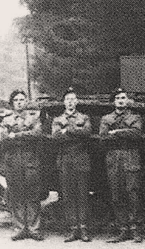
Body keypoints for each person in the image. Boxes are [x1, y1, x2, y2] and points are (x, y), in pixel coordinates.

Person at [99, 88, 145, 243]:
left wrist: (116, 132)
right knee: (116, 193)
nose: (120, 100)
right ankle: (123, 229)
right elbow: (104, 137)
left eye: (123, 97)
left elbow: (136, 133)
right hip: (113, 157)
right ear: (114, 101)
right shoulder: (106, 118)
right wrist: (125, 132)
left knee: (132, 192)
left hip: (130, 154)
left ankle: (135, 229)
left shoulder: (135, 116)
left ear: (127, 100)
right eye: (117, 97)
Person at [0, 90, 44, 241]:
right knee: (16, 194)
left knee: (33, 194)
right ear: (12, 103)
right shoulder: (6, 120)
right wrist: (24, 134)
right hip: (12, 160)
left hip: (30, 159)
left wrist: (16, 135)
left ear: (26, 102)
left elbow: (37, 134)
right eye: (16, 100)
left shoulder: (34, 118)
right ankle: (19, 228)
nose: (19, 102)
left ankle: (33, 228)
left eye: (22, 99)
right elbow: (3, 139)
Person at [52, 88, 92, 242]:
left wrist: (67, 130)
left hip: (81, 159)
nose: (70, 102)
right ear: (64, 102)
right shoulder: (57, 119)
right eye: (67, 99)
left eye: (73, 99)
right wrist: (77, 131)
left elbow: (87, 132)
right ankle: (73, 229)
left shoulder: (84, 117)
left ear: (77, 102)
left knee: (82, 195)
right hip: (65, 161)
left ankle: (83, 228)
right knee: (68, 196)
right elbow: (55, 137)